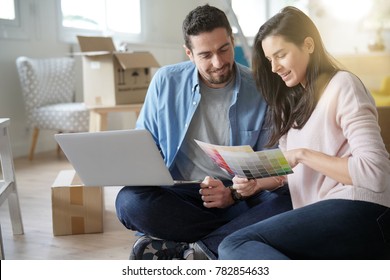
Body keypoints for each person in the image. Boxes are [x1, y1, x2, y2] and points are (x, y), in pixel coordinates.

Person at [115, 4, 292, 260]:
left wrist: (231, 194)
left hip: (241, 195)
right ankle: (229, 240)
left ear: (232, 41)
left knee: (291, 199)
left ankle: (192, 249)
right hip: (182, 193)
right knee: (129, 202)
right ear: (189, 53)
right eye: (206, 55)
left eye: (224, 49)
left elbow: (271, 164)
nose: (218, 62)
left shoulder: (262, 88)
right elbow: (144, 144)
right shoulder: (166, 82)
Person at [218, 6, 390, 260]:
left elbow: (376, 174)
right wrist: (256, 183)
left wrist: (301, 155)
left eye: (281, 55)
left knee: (235, 244)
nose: (274, 67)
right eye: (269, 60)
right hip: (323, 212)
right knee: (237, 247)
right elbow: (290, 173)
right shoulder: (295, 103)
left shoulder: (343, 85)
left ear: (308, 45)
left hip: (362, 209)